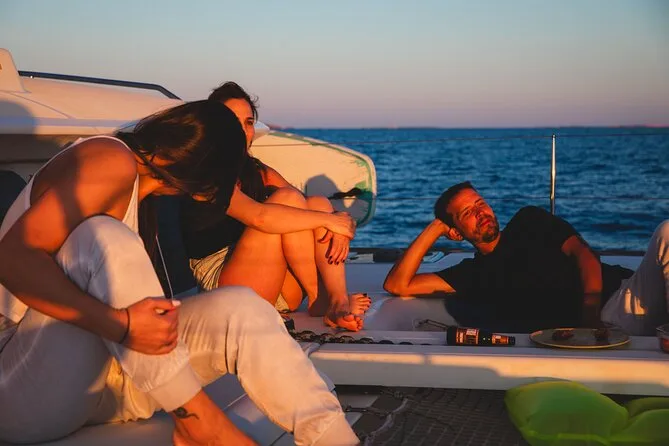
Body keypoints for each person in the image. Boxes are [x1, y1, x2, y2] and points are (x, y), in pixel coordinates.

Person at [0, 100, 359, 445]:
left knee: (242, 308)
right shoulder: (109, 159)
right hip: (23, 389)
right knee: (103, 235)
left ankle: (336, 440)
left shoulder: (145, 191)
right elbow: (13, 257)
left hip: (100, 382)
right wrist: (120, 325)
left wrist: (126, 328)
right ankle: (202, 427)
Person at [180, 82, 370, 331]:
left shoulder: (256, 170)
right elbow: (258, 217)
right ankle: (318, 298)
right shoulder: (203, 173)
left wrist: (340, 223)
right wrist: (332, 221)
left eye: (249, 122)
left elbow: (308, 210)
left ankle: (336, 300)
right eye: (232, 121)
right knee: (289, 200)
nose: (242, 130)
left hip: (273, 285)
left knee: (317, 203)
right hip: (223, 289)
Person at [384, 181, 668, 335]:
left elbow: (585, 256)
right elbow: (398, 285)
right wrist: (435, 227)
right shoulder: (469, 275)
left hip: (623, 299)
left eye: (480, 203)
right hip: (599, 329)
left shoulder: (528, 221)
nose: (481, 212)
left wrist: (589, 317)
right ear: (456, 232)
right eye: (468, 213)